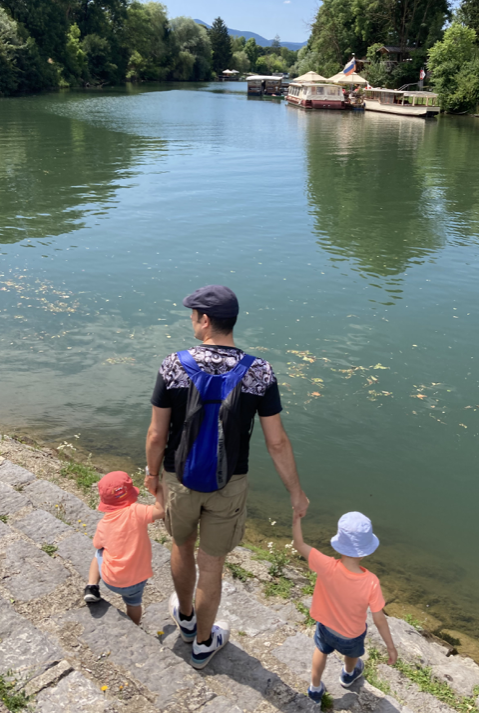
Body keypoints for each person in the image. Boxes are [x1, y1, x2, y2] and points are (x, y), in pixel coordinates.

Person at [145, 284, 309, 669]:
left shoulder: (173, 365)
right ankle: (204, 643)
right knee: (212, 564)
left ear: (205, 321)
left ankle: (186, 617)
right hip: (229, 483)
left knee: (182, 545)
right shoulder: (259, 371)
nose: (191, 321)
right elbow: (277, 442)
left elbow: (156, 434)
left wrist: (152, 475)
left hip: (180, 478)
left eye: (193, 315)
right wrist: (296, 493)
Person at [292, 510, 397, 704]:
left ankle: (315, 687)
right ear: (366, 551)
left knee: (320, 651)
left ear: (339, 544)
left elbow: (299, 544)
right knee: (352, 655)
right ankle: (348, 675)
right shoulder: (371, 582)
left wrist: (296, 518)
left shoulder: (325, 565)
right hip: (351, 635)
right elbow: (379, 618)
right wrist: (390, 647)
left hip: (325, 627)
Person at [84, 470, 164, 625]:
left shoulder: (103, 524)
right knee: (134, 603)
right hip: (137, 581)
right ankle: (135, 625)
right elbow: (160, 511)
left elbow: (98, 544)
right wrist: (159, 488)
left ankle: (92, 586)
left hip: (111, 581)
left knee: (99, 551)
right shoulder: (137, 511)